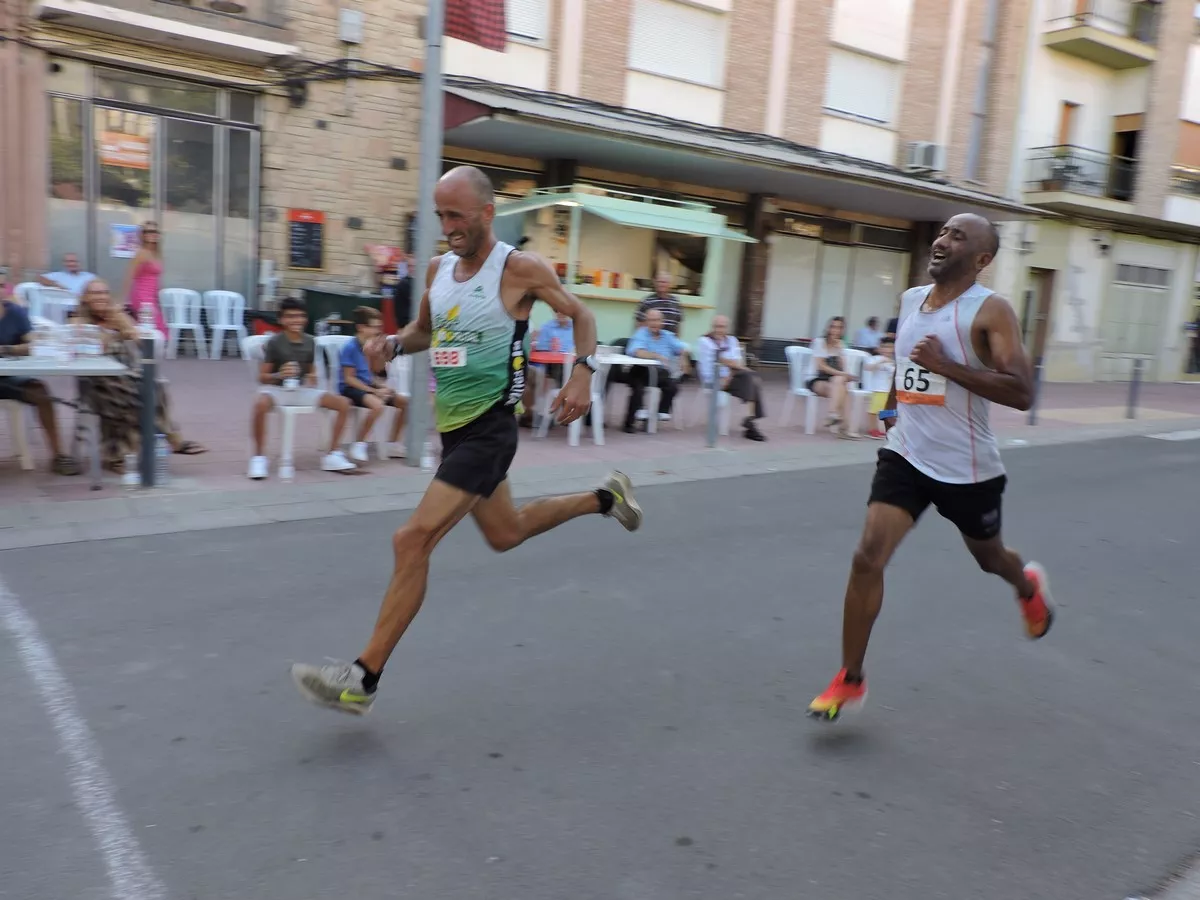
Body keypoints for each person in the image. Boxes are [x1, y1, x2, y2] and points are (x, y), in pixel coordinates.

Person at [290, 166, 643, 716]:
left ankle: (363, 678)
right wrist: (392, 344)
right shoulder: (438, 269)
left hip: (492, 427)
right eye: (440, 216)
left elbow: (582, 314)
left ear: (485, 213)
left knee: (412, 540)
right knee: (507, 532)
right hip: (453, 431)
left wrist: (582, 371)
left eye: (457, 215)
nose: (448, 226)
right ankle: (606, 497)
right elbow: (425, 333)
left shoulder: (519, 268)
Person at [806, 213, 1055, 722]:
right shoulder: (911, 300)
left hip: (967, 467)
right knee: (866, 557)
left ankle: (1026, 585)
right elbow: (906, 361)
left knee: (990, 558)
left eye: (958, 237)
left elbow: (1022, 391)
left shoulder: (991, 311)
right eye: (943, 232)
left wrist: (949, 367)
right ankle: (850, 678)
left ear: (982, 259)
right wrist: (893, 403)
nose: (942, 240)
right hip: (906, 454)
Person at [70, 279, 206, 470]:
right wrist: (111, 331)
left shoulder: (118, 316)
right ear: (85, 298)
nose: (101, 297)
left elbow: (142, 343)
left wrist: (125, 327)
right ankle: (121, 453)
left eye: (104, 292)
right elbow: (94, 348)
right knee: (133, 398)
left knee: (154, 387)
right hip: (96, 384)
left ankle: (139, 448)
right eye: (95, 293)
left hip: (125, 377)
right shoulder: (77, 321)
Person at [247, 297, 356, 479]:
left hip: (299, 390)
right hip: (278, 390)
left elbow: (311, 370)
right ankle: (258, 458)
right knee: (260, 404)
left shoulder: (310, 342)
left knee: (343, 404)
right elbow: (262, 377)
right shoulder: (275, 342)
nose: (296, 320)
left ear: (305, 319)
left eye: (300, 316)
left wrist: (312, 375)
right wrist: (279, 374)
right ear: (281, 320)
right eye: (290, 316)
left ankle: (333, 454)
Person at [0, 297, 79, 475]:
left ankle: (59, 455)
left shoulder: (14, 312)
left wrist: (6, 350)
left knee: (40, 392)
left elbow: (33, 343)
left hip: (7, 379)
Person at [338, 306, 408, 462]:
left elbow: (373, 374)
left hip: (367, 386)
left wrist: (379, 357)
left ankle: (393, 443)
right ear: (361, 328)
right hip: (350, 388)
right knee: (377, 405)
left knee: (407, 403)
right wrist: (374, 391)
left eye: (379, 326)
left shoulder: (371, 346)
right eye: (374, 326)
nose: (378, 330)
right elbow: (349, 378)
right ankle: (359, 443)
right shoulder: (350, 347)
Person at [696, 314, 766, 441]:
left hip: (731, 377)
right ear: (712, 327)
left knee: (751, 379)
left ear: (727, 328)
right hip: (712, 379)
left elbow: (737, 362)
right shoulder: (705, 341)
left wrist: (730, 373)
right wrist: (733, 366)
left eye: (723, 327)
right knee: (752, 378)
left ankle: (750, 421)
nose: (719, 330)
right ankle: (750, 423)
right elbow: (718, 359)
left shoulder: (732, 340)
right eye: (717, 327)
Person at [622, 308, 688, 432]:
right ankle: (629, 423)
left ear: (662, 322)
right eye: (651, 320)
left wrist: (683, 357)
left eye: (657, 320)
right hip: (640, 371)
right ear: (646, 322)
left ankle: (659, 413)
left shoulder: (668, 336)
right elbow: (637, 351)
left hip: (660, 373)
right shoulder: (641, 334)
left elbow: (682, 348)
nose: (654, 323)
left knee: (672, 386)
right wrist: (657, 356)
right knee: (638, 389)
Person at [808, 316, 858, 438]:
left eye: (839, 328)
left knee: (840, 383)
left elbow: (844, 368)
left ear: (843, 330)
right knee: (841, 385)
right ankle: (845, 428)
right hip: (817, 379)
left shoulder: (841, 344)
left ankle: (833, 415)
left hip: (835, 381)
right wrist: (843, 375)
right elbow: (821, 366)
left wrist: (840, 351)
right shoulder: (819, 342)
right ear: (828, 328)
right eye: (833, 327)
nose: (835, 330)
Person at [124, 221, 167, 336]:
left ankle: (149, 352)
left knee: (155, 328)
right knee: (154, 329)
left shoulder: (156, 254)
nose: (153, 234)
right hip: (142, 296)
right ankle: (148, 353)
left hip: (152, 297)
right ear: (142, 235)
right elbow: (130, 277)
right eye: (148, 231)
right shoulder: (141, 253)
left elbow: (155, 278)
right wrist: (122, 300)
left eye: (155, 231)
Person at [864, 336, 896, 439]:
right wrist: (881, 361)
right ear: (880, 348)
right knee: (874, 410)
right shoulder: (875, 358)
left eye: (890, 347)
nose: (887, 350)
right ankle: (872, 429)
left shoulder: (893, 362)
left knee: (886, 411)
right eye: (885, 347)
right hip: (878, 389)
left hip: (889, 390)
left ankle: (883, 429)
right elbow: (868, 368)